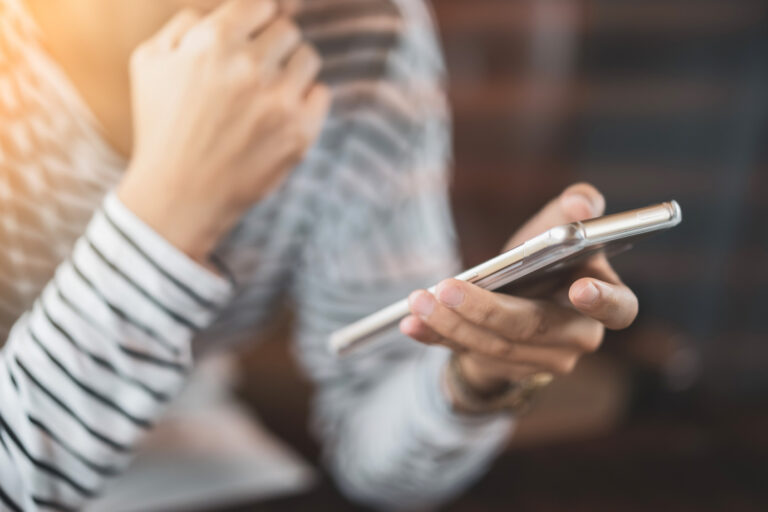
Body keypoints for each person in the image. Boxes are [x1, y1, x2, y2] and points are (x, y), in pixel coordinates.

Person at [0, 0, 638, 510]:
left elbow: (379, 463)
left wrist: (475, 378)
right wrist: (169, 209)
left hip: (189, 450)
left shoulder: (363, 30)